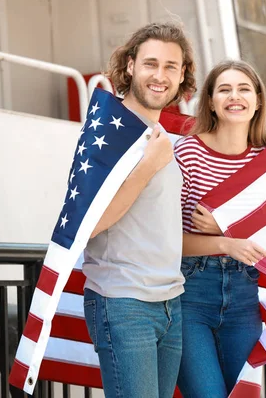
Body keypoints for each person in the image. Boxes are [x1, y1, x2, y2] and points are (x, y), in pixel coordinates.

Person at [82, 22, 196, 398]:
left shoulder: (164, 137)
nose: (159, 75)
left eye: (170, 67)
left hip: (169, 303)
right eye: (150, 63)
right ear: (130, 66)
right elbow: (91, 222)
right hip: (124, 303)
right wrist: (147, 166)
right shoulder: (109, 131)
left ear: (182, 76)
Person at [174, 60, 266, 397]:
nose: (235, 96)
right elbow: (165, 239)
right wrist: (227, 244)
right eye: (225, 89)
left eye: (244, 88)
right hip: (191, 293)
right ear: (212, 101)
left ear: (258, 100)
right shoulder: (188, 152)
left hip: (246, 294)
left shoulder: (264, 159)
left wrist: (224, 227)